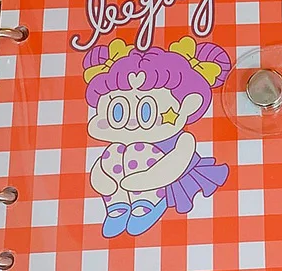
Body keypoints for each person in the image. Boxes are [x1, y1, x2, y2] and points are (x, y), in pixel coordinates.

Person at [83, 36, 230, 238]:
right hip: (122, 188)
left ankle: (147, 204)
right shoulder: (117, 148)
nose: (131, 122)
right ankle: (118, 206)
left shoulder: (183, 140)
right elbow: (101, 168)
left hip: (164, 185)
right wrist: (103, 182)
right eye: (117, 111)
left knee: (136, 151)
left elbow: (173, 167)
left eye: (145, 111)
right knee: (118, 153)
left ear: (189, 105)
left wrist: (145, 181)